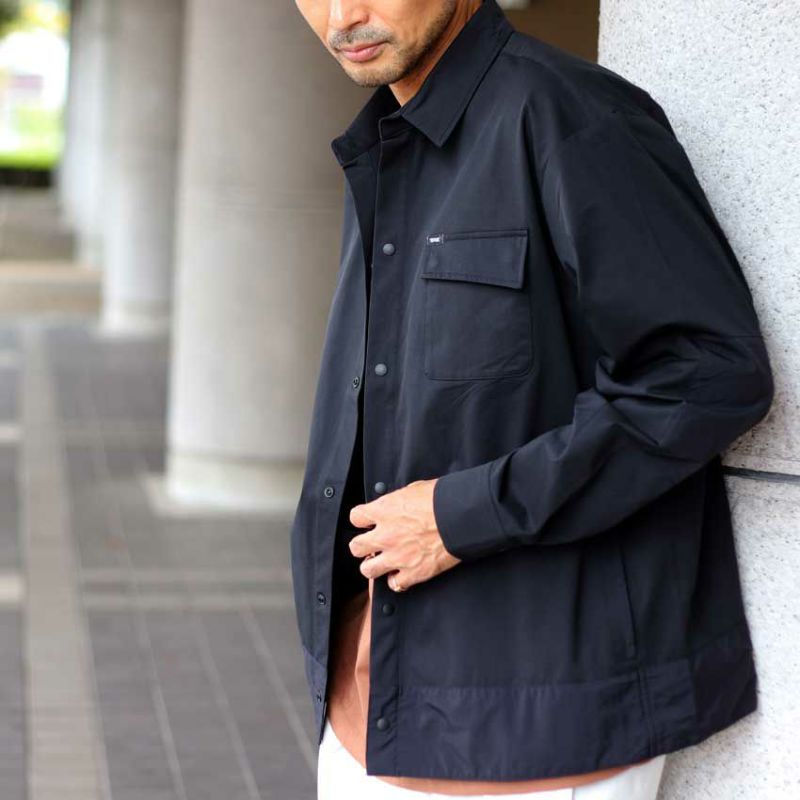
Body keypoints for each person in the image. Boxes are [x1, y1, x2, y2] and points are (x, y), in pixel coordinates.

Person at [288, 1, 775, 798]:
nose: (344, 15)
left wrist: (462, 515)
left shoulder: (573, 117)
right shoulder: (385, 142)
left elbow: (708, 373)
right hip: (367, 709)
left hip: (542, 729)